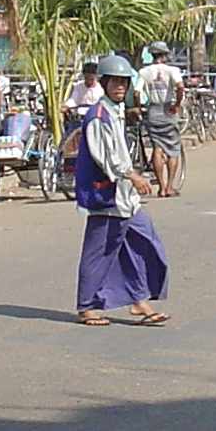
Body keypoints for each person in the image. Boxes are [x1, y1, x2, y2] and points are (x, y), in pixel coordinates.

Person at [71, 53, 172, 326]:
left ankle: (139, 300)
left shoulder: (116, 112)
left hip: (126, 198)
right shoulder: (98, 116)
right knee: (99, 251)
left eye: (123, 83)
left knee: (143, 240)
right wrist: (133, 176)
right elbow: (105, 157)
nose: (119, 87)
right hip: (106, 195)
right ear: (103, 83)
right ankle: (86, 306)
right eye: (114, 82)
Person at [135, 43, 185, 197]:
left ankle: (161, 187)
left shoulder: (144, 72)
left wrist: (139, 108)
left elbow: (137, 93)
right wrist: (176, 104)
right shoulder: (172, 70)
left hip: (153, 111)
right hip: (167, 110)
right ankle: (169, 187)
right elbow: (180, 86)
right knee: (173, 150)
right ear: (164, 55)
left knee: (157, 148)